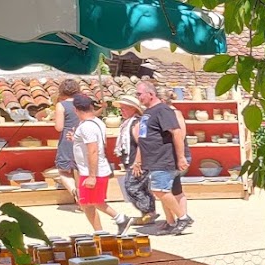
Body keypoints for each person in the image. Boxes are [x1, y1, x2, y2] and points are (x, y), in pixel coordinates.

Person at [133, 81, 193, 234]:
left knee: (160, 190)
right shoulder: (148, 112)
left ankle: (183, 217)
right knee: (163, 191)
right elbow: (143, 138)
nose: (137, 97)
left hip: (163, 158)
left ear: (151, 94)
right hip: (152, 159)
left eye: (139, 94)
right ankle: (171, 222)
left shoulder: (163, 110)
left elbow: (177, 132)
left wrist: (180, 157)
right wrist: (138, 160)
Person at [69, 95, 131, 232]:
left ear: (76, 110)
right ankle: (99, 230)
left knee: (92, 201)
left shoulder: (87, 127)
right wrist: (76, 139)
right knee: (87, 202)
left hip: (92, 171)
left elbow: (93, 150)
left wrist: (91, 175)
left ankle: (120, 218)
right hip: (95, 168)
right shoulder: (97, 122)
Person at [113, 95, 157, 224]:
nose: (122, 111)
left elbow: (142, 144)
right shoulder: (128, 124)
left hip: (138, 162)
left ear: (133, 109)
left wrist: (138, 162)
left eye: (124, 108)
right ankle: (148, 213)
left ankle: (148, 211)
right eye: (121, 109)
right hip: (133, 161)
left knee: (132, 187)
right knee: (139, 187)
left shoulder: (137, 123)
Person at [159, 88, 192, 222]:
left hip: (176, 155)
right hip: (168, 156)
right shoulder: (165, 113)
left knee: (173, 189)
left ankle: (181, 219)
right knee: (165, 189)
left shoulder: (175, 113)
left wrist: (180, 157)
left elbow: (180, 135)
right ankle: (172, 220)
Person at [51, 79, 82, 201]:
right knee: (80, 170)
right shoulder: (82, 104)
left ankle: (75, 193)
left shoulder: (61, 105)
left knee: (64, 171)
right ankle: (83, 196)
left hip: (68, 140)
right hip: (83, 139)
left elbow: (59, 127)